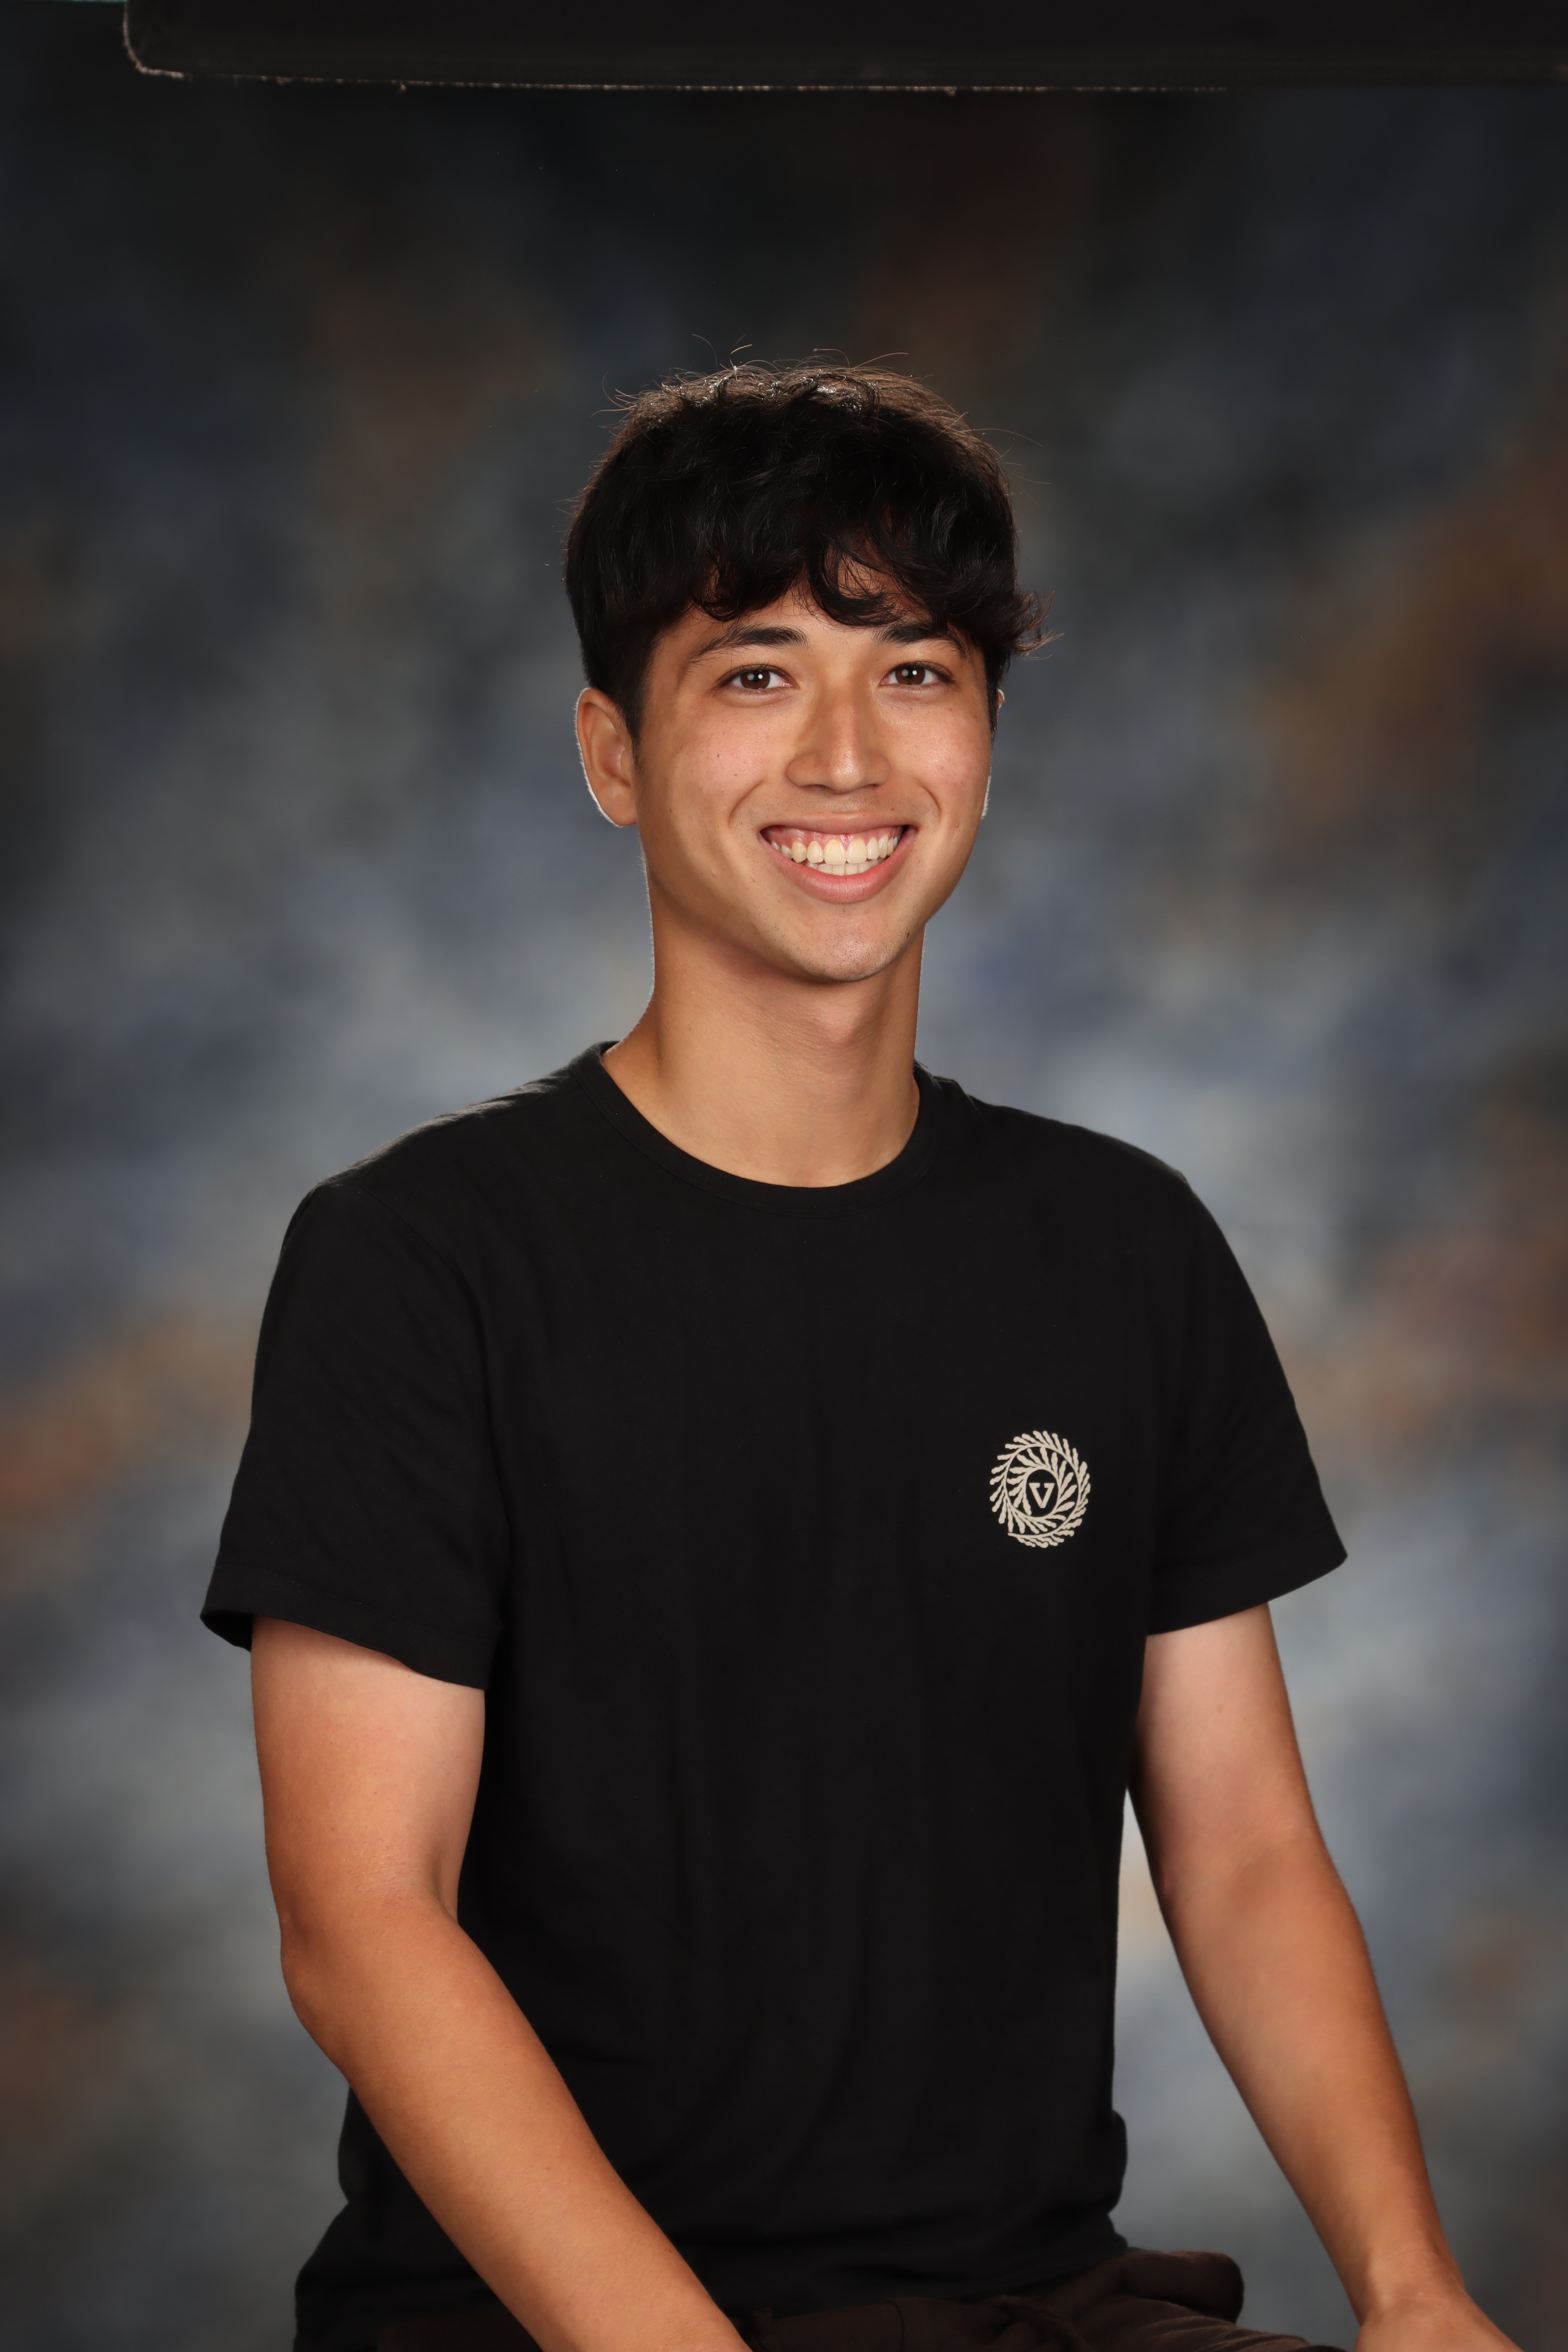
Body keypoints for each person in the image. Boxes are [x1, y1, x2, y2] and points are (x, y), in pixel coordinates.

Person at [202, 364, 1514, 2352]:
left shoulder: (1121, 1247)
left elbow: (1243, 1853)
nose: (845, 756)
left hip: (1035, 2306)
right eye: (754, 673)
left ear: (983, 740)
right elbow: (361, 1926)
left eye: (912, 672)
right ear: (611, 753)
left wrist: (1414, 2298)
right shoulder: (421, 1262)